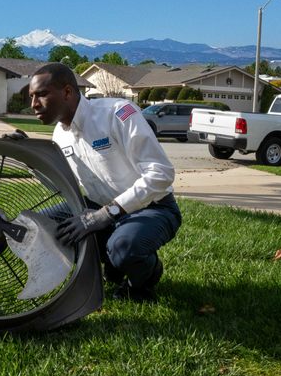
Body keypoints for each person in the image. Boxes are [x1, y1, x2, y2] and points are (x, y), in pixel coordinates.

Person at [26, 62, 181, 302]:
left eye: (42, 94)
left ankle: (144, 279)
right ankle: (111, 262)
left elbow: (160, 174)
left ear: (67, 92)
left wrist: (108, 214)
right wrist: (30, 157)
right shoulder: (59, 133)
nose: (34, 104)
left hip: (152, 207)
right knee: (40, 226)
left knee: (124, 248)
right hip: (96, 208)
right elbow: (63, 187)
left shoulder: (118, 113)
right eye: (31, 96)